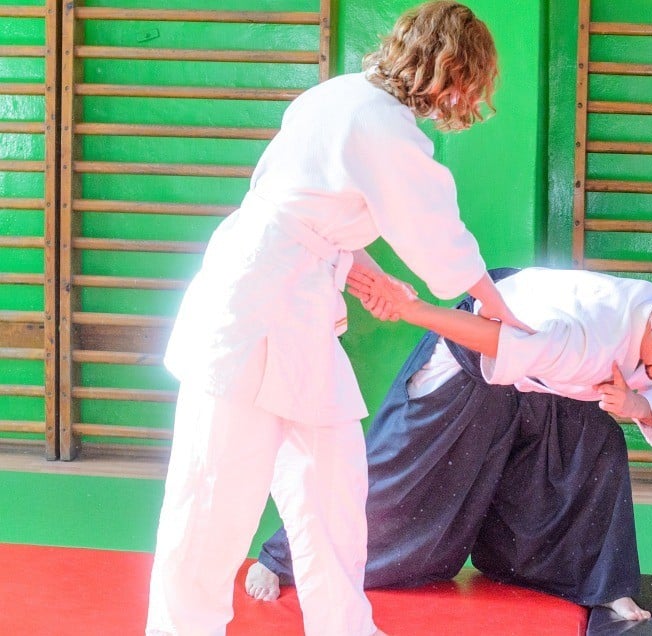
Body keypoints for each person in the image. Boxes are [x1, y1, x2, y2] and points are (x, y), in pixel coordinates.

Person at [145, 4, 527, 635]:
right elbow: (437, 236)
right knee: (214, 495)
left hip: (294, 301)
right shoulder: (377, 122)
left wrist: (365, 273)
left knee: (333, 487)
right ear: (446, 67)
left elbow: (313, 213)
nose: (460, 99)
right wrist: (502, 308)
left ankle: (345, 626)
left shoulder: (344, 98)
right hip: (252, 309)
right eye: (463, 83)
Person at [245, 266, 652, 622]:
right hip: (481, 348)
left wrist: (635, 405)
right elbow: (495, 341)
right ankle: (283, 557)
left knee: (600, 444)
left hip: (555, 382)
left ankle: (597, 582)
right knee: (401, 473)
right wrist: (415, 309)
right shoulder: (584, 332)